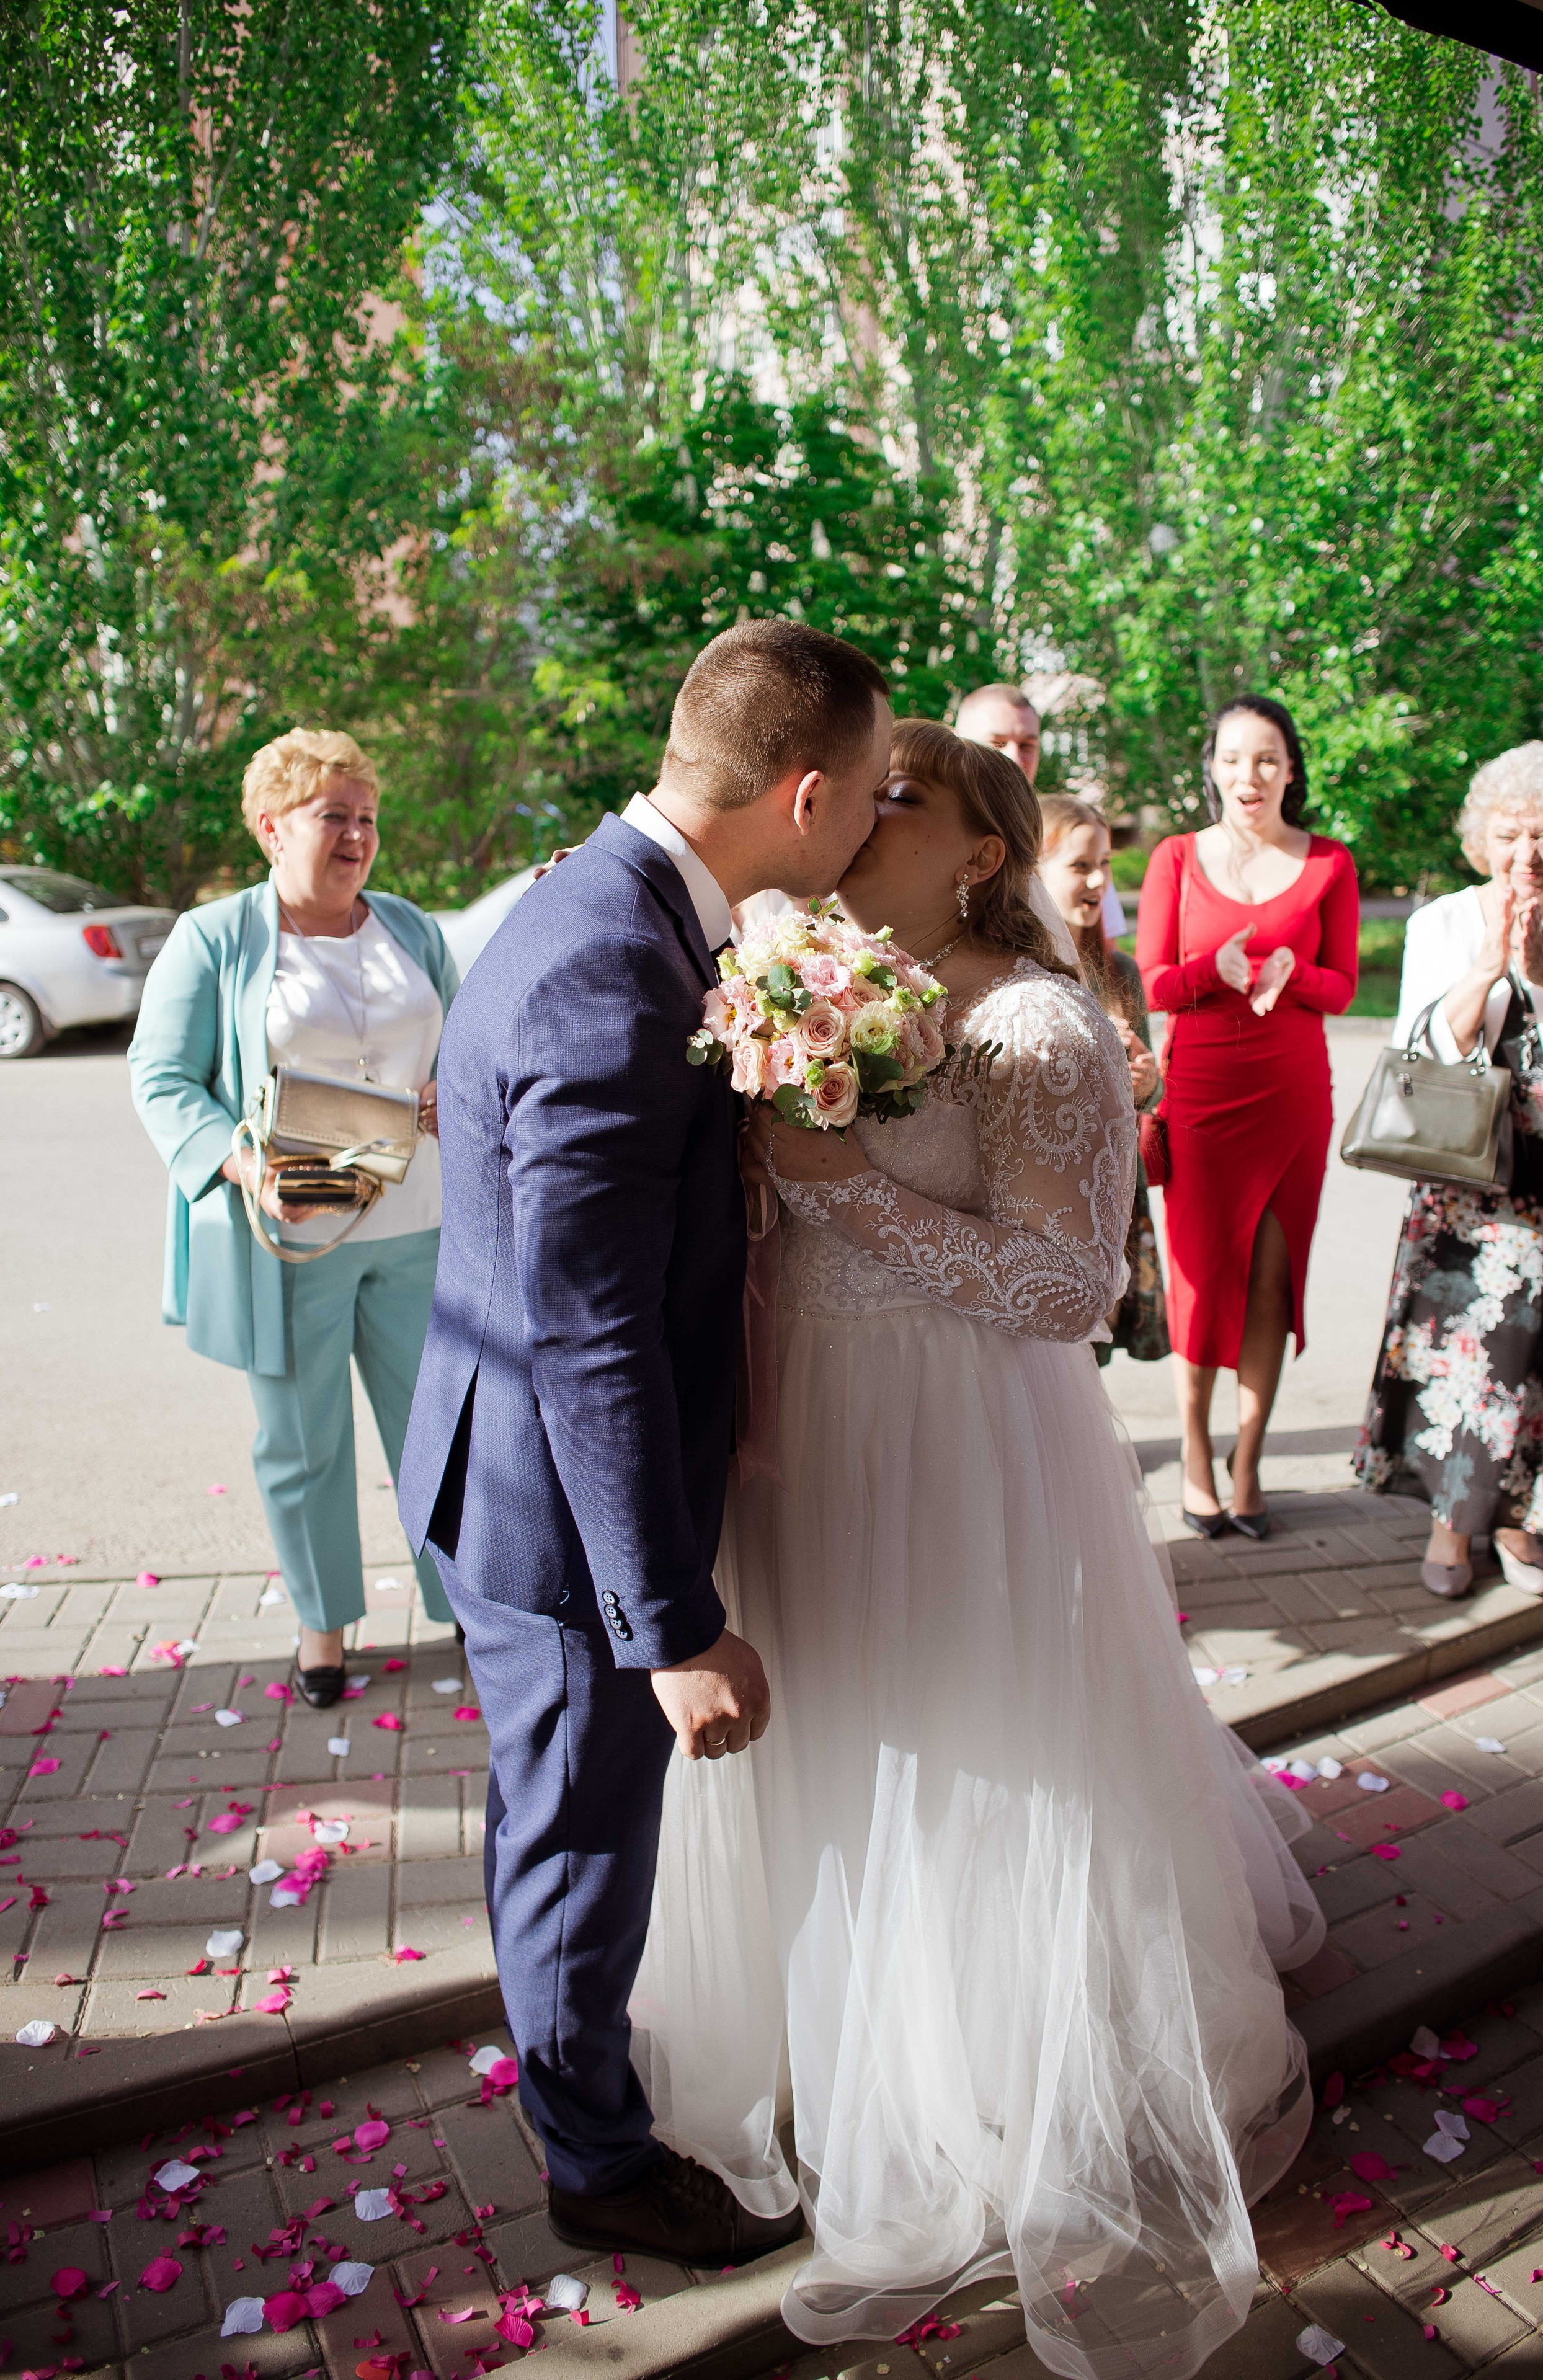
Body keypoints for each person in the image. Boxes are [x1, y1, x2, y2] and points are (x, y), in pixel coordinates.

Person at [631, 719, 1323, 2380]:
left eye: (906, 801)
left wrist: (835, 1181)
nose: (866, 817)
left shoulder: (1035, 1020)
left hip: (957, 1443)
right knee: (832, 1719)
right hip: (802, 1431)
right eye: (863, 792)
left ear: (984, 850)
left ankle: (982, 2073)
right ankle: (826, 2046)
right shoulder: (798, 966)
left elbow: (1070, 1286)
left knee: (968, 1739)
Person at [397, 619, 892, 2267]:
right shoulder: (612, 966)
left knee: (551, 1824)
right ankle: (597, 2163)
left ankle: (575, 2096)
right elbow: (587, 1330)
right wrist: (670, 1624)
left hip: (515, 1474)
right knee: (578, 1841)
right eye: (874, 794)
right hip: (555, 1510)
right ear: (806, 795)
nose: (877, 824)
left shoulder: (604, 901)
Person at [128, 729, 458, 1705]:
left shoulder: (411, 927)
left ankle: (470, 1604)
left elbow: (470, 1036)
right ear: (273, 828)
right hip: (291, 1236)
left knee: (438, 1434)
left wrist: (457, 1089)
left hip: (420, 1225)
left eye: (367, 818)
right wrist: (240, 1162)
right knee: (302, 1444)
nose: (357, 835)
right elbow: (161, 1077)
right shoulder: (217, 936)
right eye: (334, 817)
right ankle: (324, 1627)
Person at [1357, 742, 1543, 1599]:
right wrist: (1491, 968)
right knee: (1469, 1359)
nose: (1530, 854)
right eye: (1512, 833)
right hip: (1465, 1182)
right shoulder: (1443, 922)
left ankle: (1525, 1521)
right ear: (1481, 837)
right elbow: (1419, 1048)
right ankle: (1455, 1524)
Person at [1134, 698, 1359, 1537]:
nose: (1250, 775)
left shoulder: (1331, 862)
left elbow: (1341, 984)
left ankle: (1249, 1458)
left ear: (1291, 770)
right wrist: (1211, 971)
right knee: (1198, 1280)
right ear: (1214, 768)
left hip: (1293, 1096)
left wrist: (1293, 971)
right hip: (1202, 1094)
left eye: (1267, 759)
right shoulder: (1176, 857)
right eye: (1233, 758)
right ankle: (1195, 1454)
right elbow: (1154, 979)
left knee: (1272, 1278)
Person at [1039, 793, 1168, 1362]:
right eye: (1080, 866)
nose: (1098, 880)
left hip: (1112, 1192)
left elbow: (1149, 1090)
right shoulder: (1021, 971)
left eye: (1106, 864)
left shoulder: (1120, 971)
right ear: (1032, 872)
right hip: (1048, 1194)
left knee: (1095, 1358)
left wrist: (1145, 1078)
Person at [959, 682, 1128, 939]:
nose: (1015, 759)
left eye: (1027, 745)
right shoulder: (925, 826)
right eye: (998, 743)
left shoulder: (1068, 833)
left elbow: (1103, 952)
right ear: (958, 742)